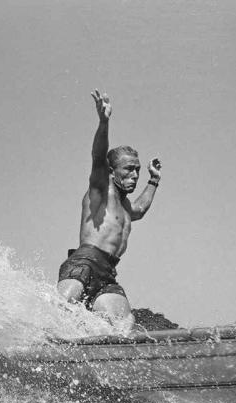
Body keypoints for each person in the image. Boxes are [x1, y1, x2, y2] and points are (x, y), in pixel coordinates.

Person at [57, 89, 162, 330]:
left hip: (107, 272)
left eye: (137, 169)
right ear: (112, 171)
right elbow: (97, 156)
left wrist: (153, 180)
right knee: (60, 309)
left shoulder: (126, 206)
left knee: (125, 324)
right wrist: (104, 122)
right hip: (84, 262)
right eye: (128, 169)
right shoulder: (101, 189)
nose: (134, 175)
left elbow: (141, 210)